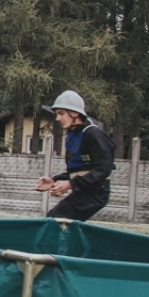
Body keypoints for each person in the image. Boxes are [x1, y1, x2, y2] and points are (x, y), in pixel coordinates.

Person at [35, 90, 115, 220]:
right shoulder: (72, 136)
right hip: (84, 190)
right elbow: (79, 171)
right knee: (54, 219)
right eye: (57, 114)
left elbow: (103, 169)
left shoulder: (94, 135)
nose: (57, 118)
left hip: (96, 194)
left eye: (61, 113)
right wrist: (55, 180)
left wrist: (70, 184)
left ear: (75, 113)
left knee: (56, 219)